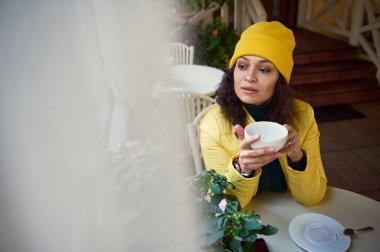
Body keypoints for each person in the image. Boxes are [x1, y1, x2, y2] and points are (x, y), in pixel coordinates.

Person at [199, 21, 327, 208]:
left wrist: (297, 156)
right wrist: (243, 170)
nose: (249, 77)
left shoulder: (303, 114)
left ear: (280, 79)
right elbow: (222, 205)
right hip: (247, 221)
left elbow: (312, 198)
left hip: (293, 214)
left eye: (264, 69)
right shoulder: (213, 124)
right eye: (242, 66)